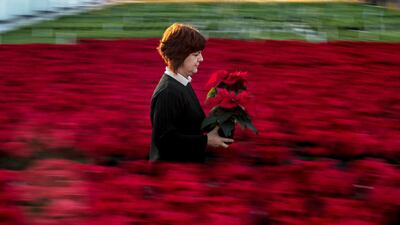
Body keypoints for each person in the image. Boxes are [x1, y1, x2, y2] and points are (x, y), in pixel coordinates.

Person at [150, 23, 234, 162]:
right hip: (174, 175)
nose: (201, 59)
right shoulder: (168, 92)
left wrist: (223, 113)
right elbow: (165, 141)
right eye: (196, 54)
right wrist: (206, 140)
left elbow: (188, 125)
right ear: (180, 55)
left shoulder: (182, 83)